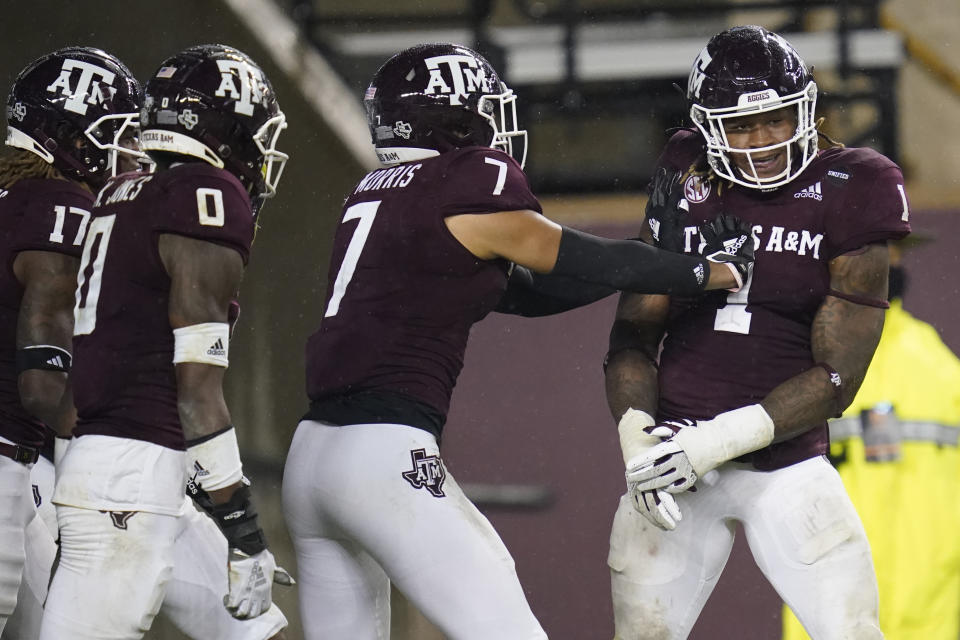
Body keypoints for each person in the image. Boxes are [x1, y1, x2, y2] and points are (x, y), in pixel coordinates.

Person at [281, 42, 755, 640]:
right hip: (383, 455)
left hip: (311, 458)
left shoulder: (379, 190)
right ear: (452, 119)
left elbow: (530, 293)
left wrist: (643, 268)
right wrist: (705, 270)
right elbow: (577, 257)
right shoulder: (465, 180)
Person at [603, 25, 911, 639]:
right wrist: (638, 440)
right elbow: (633, 335)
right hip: (675, 456)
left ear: (807, 109)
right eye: (741, 126)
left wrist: (712, 443)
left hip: (787, 465)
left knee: (852, 633)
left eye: (774, 119)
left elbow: (837, 378)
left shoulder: (856, 184)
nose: (762, 141)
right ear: (706, 126)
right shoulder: (682, 170)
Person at [38, 44, 292, 640]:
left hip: (129, 466)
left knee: (256, 634)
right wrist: (244, 529)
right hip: (132, 476)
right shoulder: (206, 197)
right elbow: (197, 392)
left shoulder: (120, 193)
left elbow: (80, 393)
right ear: (227, 129)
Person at [0, 46, 146, 637]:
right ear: (69, 133)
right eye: (117, 134)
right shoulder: (62, 205)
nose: (129, 153)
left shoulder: (15, 201)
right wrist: (127, 441)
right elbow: (42, 382)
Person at [782, 240, 960, 639]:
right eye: (866, 251)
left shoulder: (942, 371)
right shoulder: (807, 363)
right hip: (829, 603)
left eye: (891, 251)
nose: (883, 263)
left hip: (929, 609)